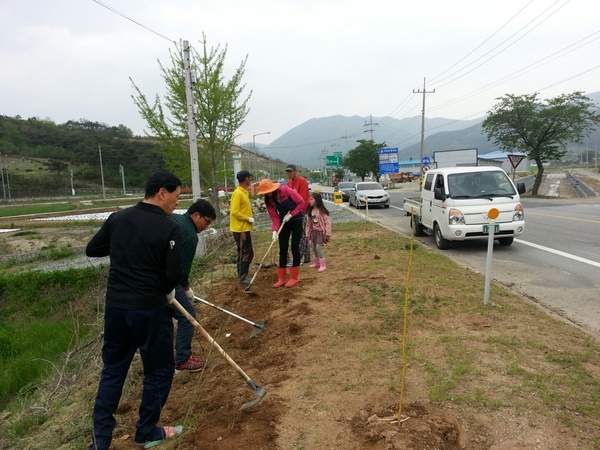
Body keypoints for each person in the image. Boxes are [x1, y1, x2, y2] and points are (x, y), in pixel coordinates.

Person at [85, 170, 184, 450]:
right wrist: (168, 288)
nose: (177, 203)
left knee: (113, 370)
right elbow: (173, 274)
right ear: (162, 192)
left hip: (117, 308)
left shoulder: (119, 218)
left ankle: (100, 442)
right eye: (176, 196)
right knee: (159, 370)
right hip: (150, 310)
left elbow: (93, 249)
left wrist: (124, 249)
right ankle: (146, 431)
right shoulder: (170, 228)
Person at [170, 199, 216, 373]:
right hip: (168, 281)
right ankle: (182, 359)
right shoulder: (190, 235)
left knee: (166, 318)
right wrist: (186, 289)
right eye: (207, 221)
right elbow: (181, 270)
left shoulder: (173, 217)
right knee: (187, 315)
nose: (206, 226)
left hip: (149, 278)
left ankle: (167, 360)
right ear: (196, 215)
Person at [255, 178, 305, 288]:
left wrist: (292, 214)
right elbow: (275, 218)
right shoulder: (268, 201)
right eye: (265, 193)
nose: (267, 194)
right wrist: (274, 231)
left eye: (268, 192)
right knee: (283, 248)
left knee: (294, 247)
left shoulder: (286, 191)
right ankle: (281, 278)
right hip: (284, 221)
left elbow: (301, 203)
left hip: (296, 220)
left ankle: (293, 278)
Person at [229, 170, 255, 285]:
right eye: (249, 178)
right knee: (246, 252)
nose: (250, 180)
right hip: (240, 229)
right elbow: (234, 211)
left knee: (245, 251)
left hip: (244, 228)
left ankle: (242, 275)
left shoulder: (244, 192)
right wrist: (247, 218)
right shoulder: (238, 193)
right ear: (246, 179)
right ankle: (243, 277)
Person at [285, 164, 311, 265]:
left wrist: (298, 210)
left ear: (295, 171)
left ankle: (299, 256)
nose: (289, 173)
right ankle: (307, 257)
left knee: (302, 235)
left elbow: (303, 198)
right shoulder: (289, 183)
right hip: (294, 211)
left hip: (303, 211)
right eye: (288, 172)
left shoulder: (302, 181)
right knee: (303, 234)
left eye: (291, 171)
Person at [305, 192, 332, 272]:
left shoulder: (322, 211)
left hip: (321, 232)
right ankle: (317, 263)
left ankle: (323, 264)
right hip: (314, 232)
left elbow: (327, 222)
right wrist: (308, 233)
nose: (310, 201)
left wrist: (327, 233)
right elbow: (308, 224)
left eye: (311, 199)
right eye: (309, 199)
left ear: (317, 201)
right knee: (313, 247)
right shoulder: (310, 212)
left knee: (318, 247)